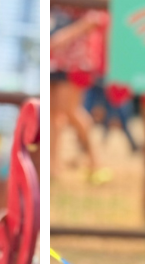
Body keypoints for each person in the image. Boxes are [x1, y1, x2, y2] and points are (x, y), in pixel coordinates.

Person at [50, 8, 111, 183]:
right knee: (52, 114)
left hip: (75, 58)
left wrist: (64, 36)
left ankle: (95, 161)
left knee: (70, 110)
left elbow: (96, 18)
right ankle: (53, 165)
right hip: (54, 56)